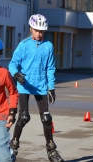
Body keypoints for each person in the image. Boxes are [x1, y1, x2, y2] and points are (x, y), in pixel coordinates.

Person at [8, 14, 64, 162]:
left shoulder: (48, 46)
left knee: (46, 118)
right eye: (37, 30)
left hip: (41, 86)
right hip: (24, 85)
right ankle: (13, 146)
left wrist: (51, 88)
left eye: (42, 31)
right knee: (23, 116)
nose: (39, 34)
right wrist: (16, 74)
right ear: (31, 28)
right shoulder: (24, 45)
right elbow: (12, 63)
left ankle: (51, 150)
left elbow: (50, 68)